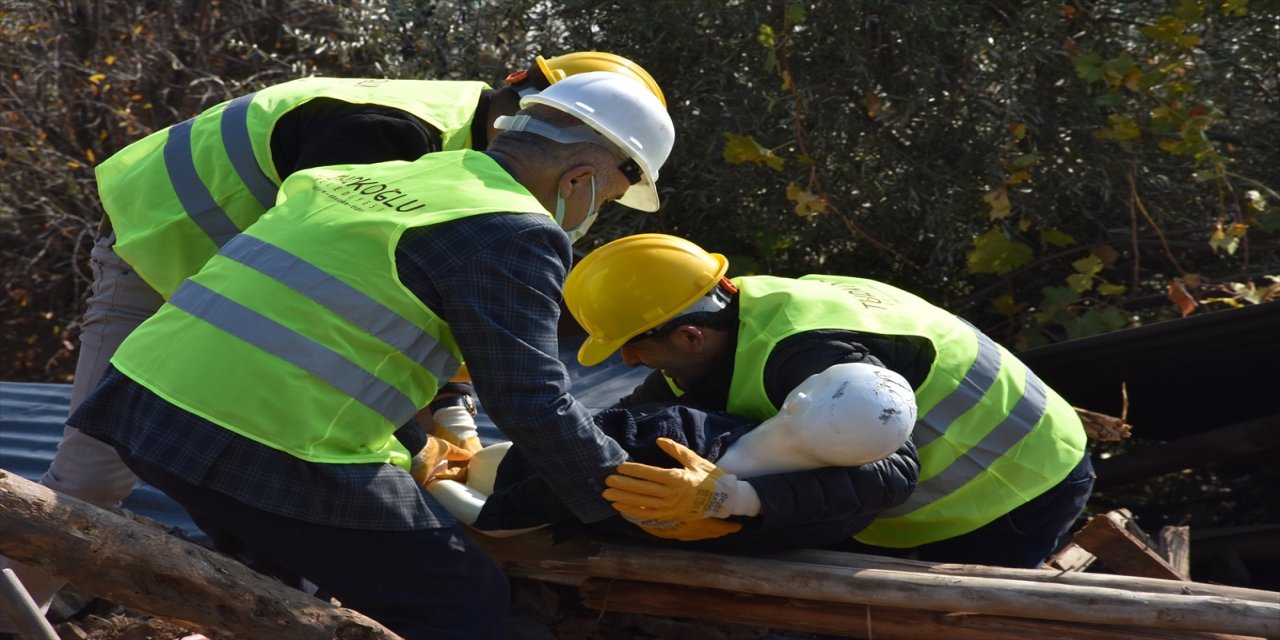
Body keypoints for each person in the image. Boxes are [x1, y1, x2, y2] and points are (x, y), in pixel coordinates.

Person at [0, 51, 665, 632]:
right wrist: (623, 502)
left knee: (289, 579)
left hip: (142, 405)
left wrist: (443, 419)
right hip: (260, 427)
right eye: (606, 195)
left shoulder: (388, 170)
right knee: (462, 601)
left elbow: (351, 303)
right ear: (580, 177)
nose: (593, 214)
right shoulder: (515, 226)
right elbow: (532, 401)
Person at [561, 233, 1096, 569]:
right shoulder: (729, 316)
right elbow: (635, 415)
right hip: (966, 482)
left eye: (632, 347)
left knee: (955, 623)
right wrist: (534, 447)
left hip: (1020, 485)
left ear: (689, 336)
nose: (627, 362)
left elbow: (888, 476)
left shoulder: (806, 355)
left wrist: (729, 500)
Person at [423, 361, 920, 551]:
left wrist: (434, 479)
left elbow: (495, 520)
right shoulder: (843, 517)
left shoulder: (656, 442)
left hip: (501, 476)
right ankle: (453, 415)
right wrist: (736, 500)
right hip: (558, 499)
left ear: (798, 398)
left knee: (462, 456)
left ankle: (450, 414)